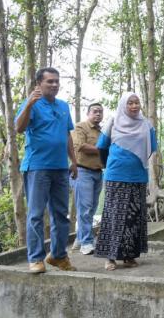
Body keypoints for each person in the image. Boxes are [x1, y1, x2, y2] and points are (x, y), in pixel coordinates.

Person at [15, 67, 78, 273]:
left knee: (61, 215)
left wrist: (74, 161)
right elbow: (19, 128)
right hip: (37, 167)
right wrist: (29, 104)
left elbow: (67, 135)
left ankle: (58, 255)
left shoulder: (63, 106)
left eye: (57, 81)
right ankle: (36, 259)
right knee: (36, 215)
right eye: (50, 81)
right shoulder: (32, 103)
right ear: (39, 84)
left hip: (60, 168)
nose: (54, 85)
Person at [95, 92, 156, 271]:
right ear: (123, 104)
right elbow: (102, 147)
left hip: (138, 176)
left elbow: (151, 148)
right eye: (130, 103)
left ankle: (129, 256)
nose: (134, 106)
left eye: (137, 102)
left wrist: (136, 162)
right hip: (116, 176)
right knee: (114, 216)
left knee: (134, 218)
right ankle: (110, 257)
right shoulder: (113, 121)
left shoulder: (146, 124)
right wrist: (109, 165)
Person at [70, 102, 104, 256]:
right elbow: (80, 146)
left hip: (98, 172)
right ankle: (86, 243)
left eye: (100, 112)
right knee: (84, 208)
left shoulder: (101, 132)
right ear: (88, 113)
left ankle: (80, 238)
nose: (98, 114)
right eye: (95, 111)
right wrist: (101, 149)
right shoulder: (80, 127)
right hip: (82, 171)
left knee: (91, 209)